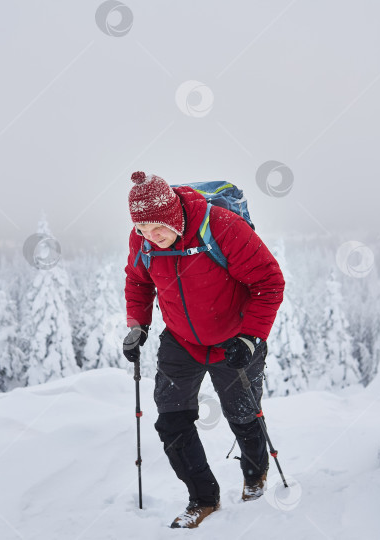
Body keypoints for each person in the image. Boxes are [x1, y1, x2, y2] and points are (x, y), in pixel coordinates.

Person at [122, 171, 285, 529]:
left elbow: (269, 282)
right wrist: (138, 325)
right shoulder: (144, 241)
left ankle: (255, 474)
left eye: (158, 229)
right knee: (171, 420)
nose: (151, 238)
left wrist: (249, 337)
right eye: (142, 231)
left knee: (242, 413)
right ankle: (203, 497)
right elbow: (138, 281)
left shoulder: (223, 227)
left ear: (174, 216)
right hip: (182, 341)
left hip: (235, 339)